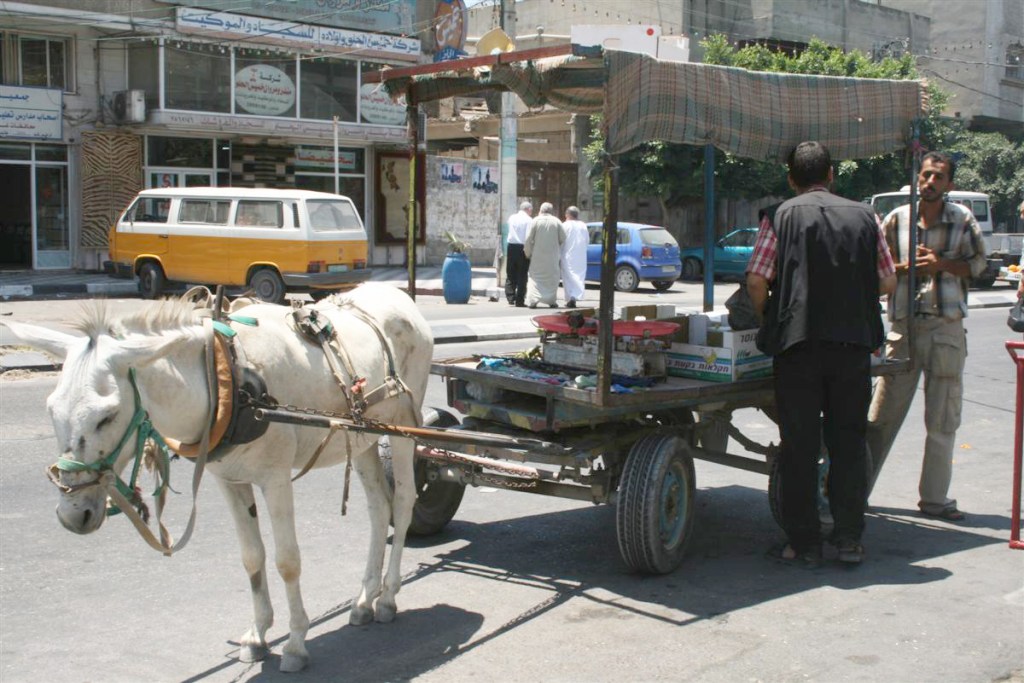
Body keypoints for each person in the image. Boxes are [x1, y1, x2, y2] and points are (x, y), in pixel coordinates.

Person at [747, 141, 897, 566]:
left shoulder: (778, 216)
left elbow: (757, 280)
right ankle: (849, 539)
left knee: (800, 446)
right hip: (852, 347)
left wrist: (767, 320)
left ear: (791, 179)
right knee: (847, 443)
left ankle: (804, 543)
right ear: (832, 174)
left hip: (798, 348)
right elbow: (888, 282)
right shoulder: (867, 216)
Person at [867, 151, 989, 522]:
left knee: (942, 420)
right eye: (925, 176)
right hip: (903, 330)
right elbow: (876, 270)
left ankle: (934, 500)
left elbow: (980, 266)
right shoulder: (896, 220)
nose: (930, 183)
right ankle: (853, 493)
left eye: (938, 177)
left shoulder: (963, 219)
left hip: (945, 330)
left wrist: (942, 265)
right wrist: (907, 268)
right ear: (917, 180)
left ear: (949, 184)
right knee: (880, 418)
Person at [524, 202, 566, 309]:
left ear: (540, 210)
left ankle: (533, 301)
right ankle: (551, 301)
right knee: (552, 278)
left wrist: (527, 253)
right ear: (551, 210)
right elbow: (563, 238)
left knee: (535, 278)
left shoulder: (535, 221)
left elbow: (528, 239)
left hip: (537, 256)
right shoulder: (557, 222)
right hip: (552, 256)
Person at [560, 206, 589, 308]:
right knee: (579, 276)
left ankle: (570, 298)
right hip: (580, 256)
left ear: (568, 214)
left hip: (568, 255)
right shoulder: (583, 225)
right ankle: (574, 297)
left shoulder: (565, 225)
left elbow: (561, 241)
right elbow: (586, 241)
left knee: (568, 277)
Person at [505, 201, 532, 307]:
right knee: (522, 274)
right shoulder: (529, 220)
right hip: (522, 247)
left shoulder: (512, 217)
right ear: (528, 209)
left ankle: (510, 297)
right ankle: (520, 300)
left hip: (511, 246)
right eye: (531, 210)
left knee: (511, 272)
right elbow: (529, 237)